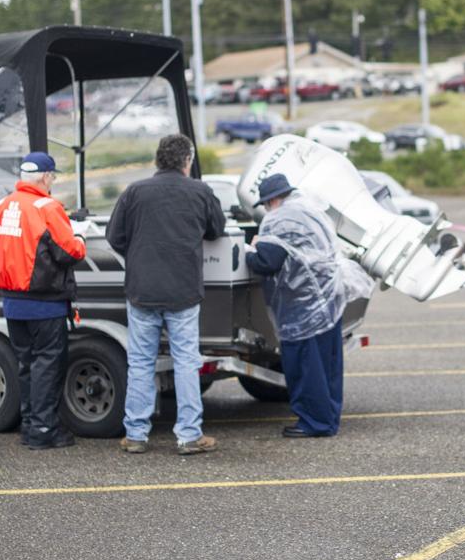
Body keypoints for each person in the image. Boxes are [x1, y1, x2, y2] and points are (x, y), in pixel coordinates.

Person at [107, 134, 225, 455]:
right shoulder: (200, 191)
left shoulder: (134, 191)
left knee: (141, 362)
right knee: (186, 361)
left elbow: (114, 236)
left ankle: (136, 435)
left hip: (142, 290)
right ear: (187, 160)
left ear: (158, 160)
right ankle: (188, 435)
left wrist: (139, 255)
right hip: (183, 291)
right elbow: (217, 229)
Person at [0, 151, 88, 450]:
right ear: (44, 177)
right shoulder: (47, 207)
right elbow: (71, 252)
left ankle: (30, 425)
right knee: (47, 365)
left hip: (12, 302)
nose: (52, 181)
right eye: (53, 176)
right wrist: (79, 235)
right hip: (46, 302)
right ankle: (44, 430)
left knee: (26, 364)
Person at [245, 174, 347, 438]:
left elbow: (268, 262)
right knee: (328, 366)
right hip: (329, 300)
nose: (267, 209)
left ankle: (313, 423)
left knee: (305, 366)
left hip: (302, 308)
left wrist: (249, 251)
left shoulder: (279, 219)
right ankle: (328, 418)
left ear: (272, 200)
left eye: (266, 204)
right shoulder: (310, 210)